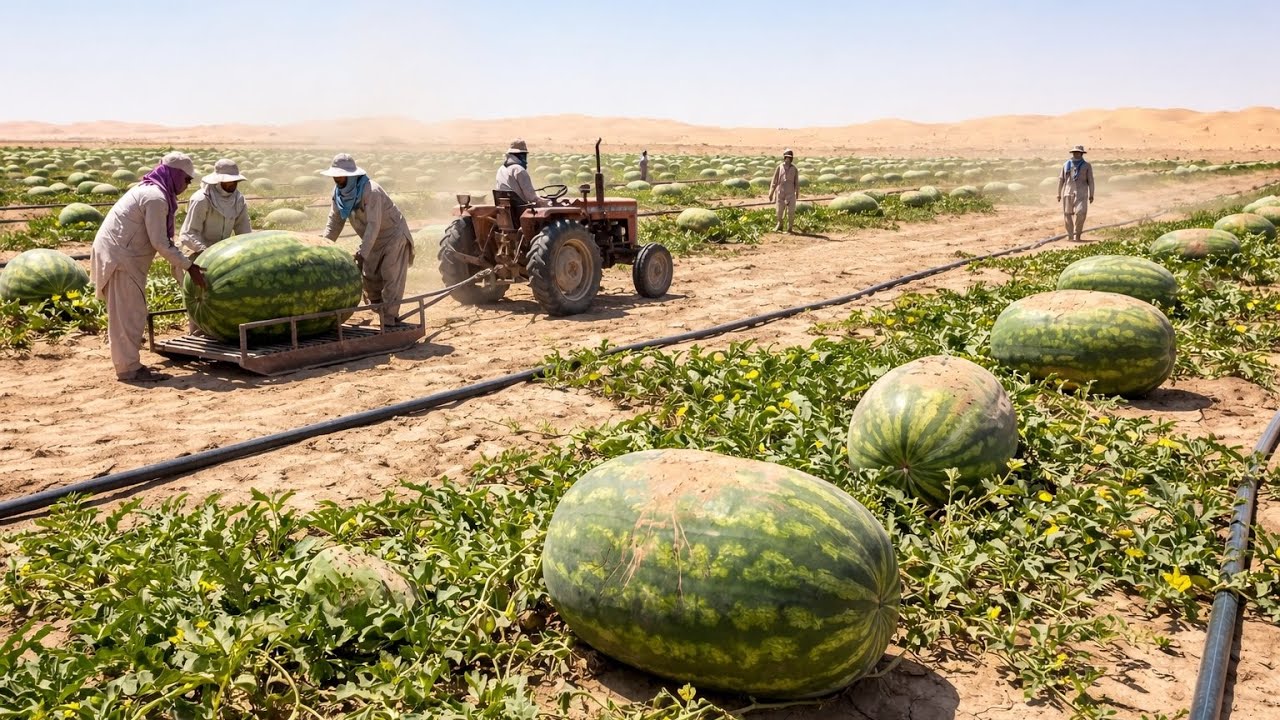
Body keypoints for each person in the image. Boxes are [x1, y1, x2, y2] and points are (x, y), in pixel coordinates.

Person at [90, 152, 208, 382]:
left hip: (124, 256)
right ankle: (128, 369)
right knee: (128, 314)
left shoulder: (152, 191)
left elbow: (162, 241)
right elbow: (160, 242)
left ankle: (129, 364)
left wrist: (181, 266)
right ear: (175, 175)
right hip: (121, 258)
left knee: (131, 311)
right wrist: (190, 267)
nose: (187, 185)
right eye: (186, 180)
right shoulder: (155, 198)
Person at [320, 153, 414, 329]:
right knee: (369, 280)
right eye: (335, 175)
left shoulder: (371, 191)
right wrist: (323, 246)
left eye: (340, 175)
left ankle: (389, 319)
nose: (336, 178)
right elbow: (335, 222)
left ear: (351, 176)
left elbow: (374, 224)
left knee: (390, 275)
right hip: (372, 240)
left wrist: (363, 252)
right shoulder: (338, 194)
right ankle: (381, 310)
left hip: (393, 235)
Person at [174, 159, 252, 331]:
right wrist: (208, 252)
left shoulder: (238, 200)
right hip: (195, 254)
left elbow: (244, 232)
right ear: (218, 181)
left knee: (219, 298)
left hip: (221, 255)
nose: (232, 184)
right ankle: (195, 334)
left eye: (235, 181)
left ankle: (216, 332)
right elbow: (188, 233)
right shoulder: (202, 199)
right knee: (198, 298)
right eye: (228, 181)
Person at [1057, 145, 1095, 242]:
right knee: (1067, 214)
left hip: (1082, 193)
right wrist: (1058, 193)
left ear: (1082, 154)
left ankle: (1078, 235)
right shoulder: (1066, 165)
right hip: (1068, 192)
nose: (1076, 154)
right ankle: (1070, 236)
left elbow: (1090, 180)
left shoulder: (1087, 165)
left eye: (1078, 152)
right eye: (1074, 152)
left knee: (1080, 213)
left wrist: (1091, 194)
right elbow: (1061, 180)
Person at [494, 139, 547, 208]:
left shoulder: (501, 169)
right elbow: (531, 197)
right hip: (520, 209)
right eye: (524, 155)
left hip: (505, 208)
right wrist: (545, 202)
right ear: (521, 156)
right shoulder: (519, 170)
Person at [768, 148, 800, 233]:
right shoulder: (779, 167)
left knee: (791, 211)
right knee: (779, 210)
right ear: (784, 157)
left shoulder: (794, 169)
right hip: (780, 192)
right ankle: (779, 225)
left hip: (790, 193)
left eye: (789, 158)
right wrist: (771, 193)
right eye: (786, 157)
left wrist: (797, 192)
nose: (788, 159)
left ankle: (790, 228)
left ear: (792, 158)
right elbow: (774, 181)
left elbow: (796, 182)